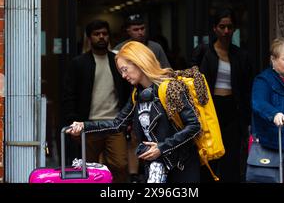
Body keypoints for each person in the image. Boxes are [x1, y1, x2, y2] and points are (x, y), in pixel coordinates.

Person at [67, 41, 202, 183]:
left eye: (125, 69)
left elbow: (194, 126)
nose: (123, 76)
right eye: (121, 72)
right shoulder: (137, 94)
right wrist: (84, 126)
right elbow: (117, 124)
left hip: (181, 166)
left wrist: (162, 147)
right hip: (156, 167)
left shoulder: (170, 87)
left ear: (139, 63)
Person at [62, 19, 131, 183]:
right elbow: (69, 95)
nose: (101, 37)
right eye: (96, 34)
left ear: (109, 36)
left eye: (104, 34)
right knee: (88, 169)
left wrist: (129, 119)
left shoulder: (117, 61)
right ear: (89, 37)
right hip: (89, 125)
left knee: (120, 165)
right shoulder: (79, 63)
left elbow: (128, 90)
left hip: (115, 124)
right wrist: (73, 121)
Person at [198, 7, 253, 182]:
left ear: (234, 28)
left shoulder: (240, 55)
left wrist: (247, 117)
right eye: (222, 27)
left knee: (231, 156)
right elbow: (194, 81)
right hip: (211, 108)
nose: (226, 31)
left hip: (233, 107)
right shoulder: (204, 53)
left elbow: (246, 87)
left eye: (229, 27)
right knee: (210, 153)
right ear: (215, 28)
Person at [114, 13, 171, 182]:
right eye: (135, 29)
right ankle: (134, 176)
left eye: (142, 28)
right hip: (132, 100)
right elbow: (117, 83)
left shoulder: (155, 48)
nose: (140, 32)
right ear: (127, 31)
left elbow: (191, 127)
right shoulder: (119, 51)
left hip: (156, 100)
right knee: (135, 139)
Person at [251, 37, 284, 183]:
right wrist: (274, 114)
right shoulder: (264, 80)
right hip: (274, 150)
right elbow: (258, 103)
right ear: (273, 59)